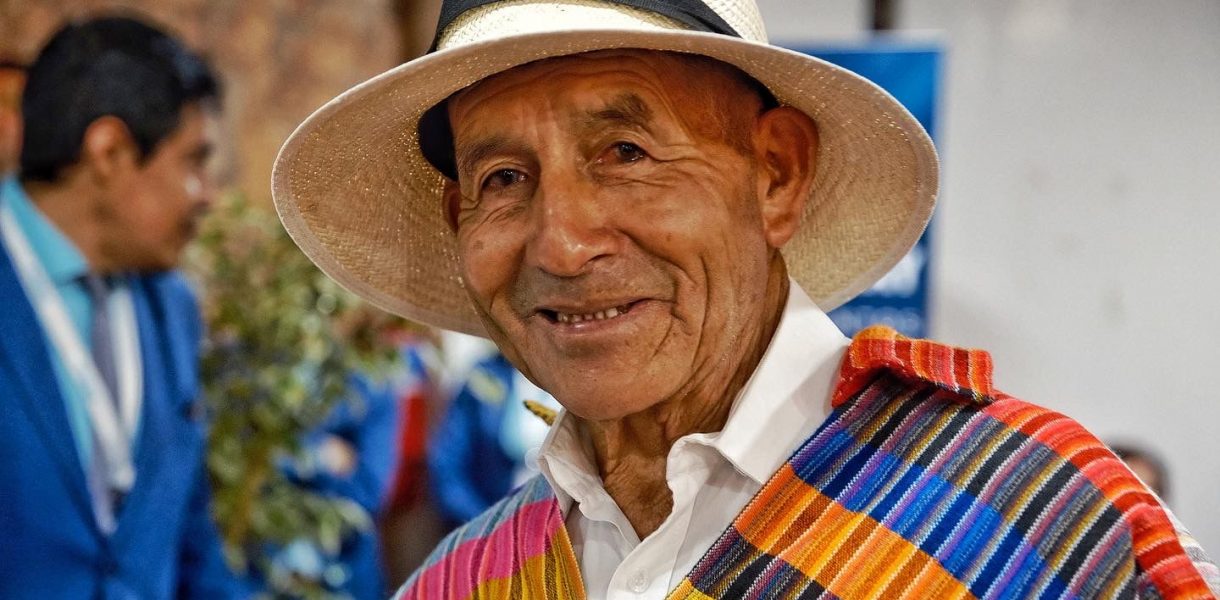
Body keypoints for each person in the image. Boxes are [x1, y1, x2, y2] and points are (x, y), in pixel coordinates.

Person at [271, 0, 1220, 597]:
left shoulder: (1031, 519)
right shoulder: (468, 580)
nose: (561, 242)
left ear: (776, 173)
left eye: (627, 153)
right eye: (504, 179)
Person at [0, 16, 246, 598]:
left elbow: (192, 544)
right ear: (108, 151)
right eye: (194, 161)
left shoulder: (174, 308)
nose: (209, 195)